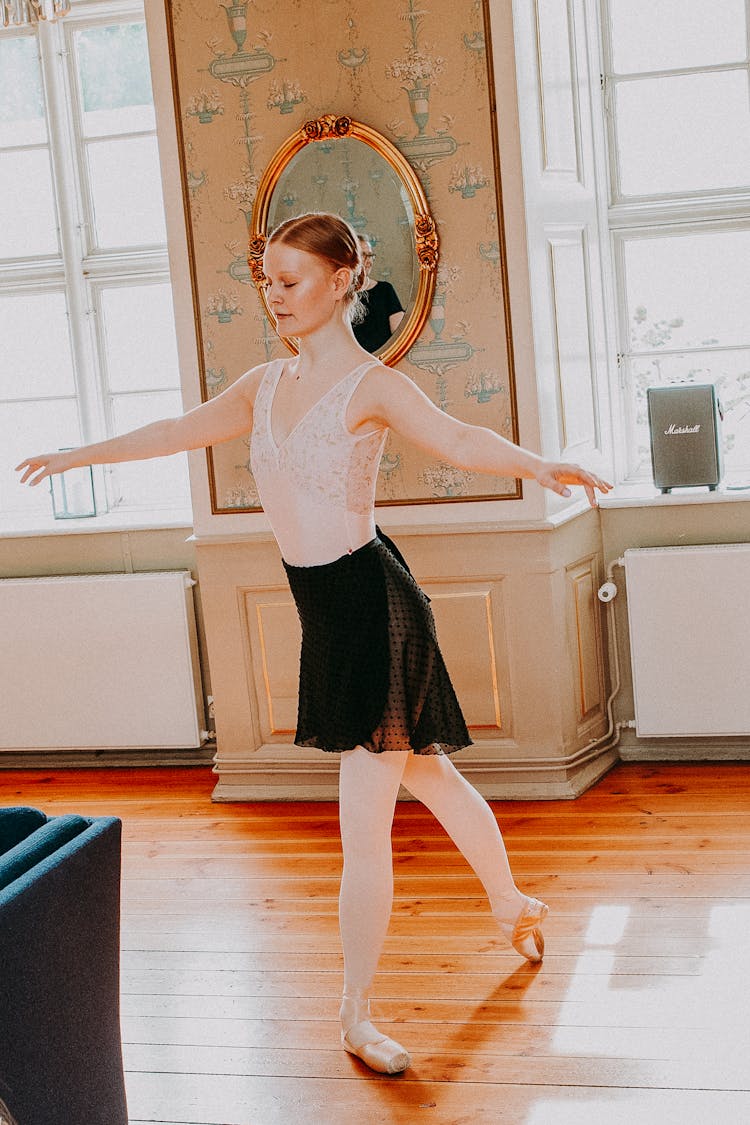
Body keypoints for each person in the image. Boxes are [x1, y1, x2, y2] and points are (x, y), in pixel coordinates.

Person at [17, 211, 611, 1076]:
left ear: (341, 283)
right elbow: (176, 431)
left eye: (292, 280)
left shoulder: (372, 384)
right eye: (268, 280)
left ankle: (355, 1015)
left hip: (372, 606)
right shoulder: (263, 385)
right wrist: (79, 455)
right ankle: (512, 900)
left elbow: (458, 438)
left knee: (363, 827)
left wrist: (541, 465)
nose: (276, 295)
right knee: (431, 773)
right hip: (327, 612)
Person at [351, 234, 404, 352]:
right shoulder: (339, 296)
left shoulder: (385, 290)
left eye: (370, 255)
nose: (368, 260)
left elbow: (401, 335)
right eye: (364, 255)